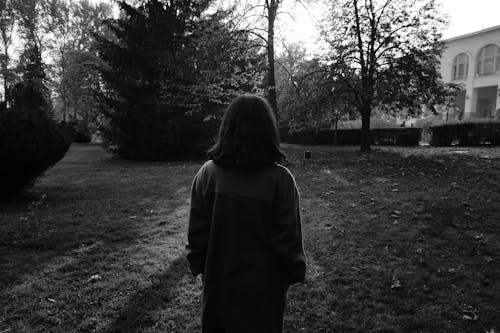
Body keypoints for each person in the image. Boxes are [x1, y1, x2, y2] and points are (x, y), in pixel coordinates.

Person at [186, 94, 306, 333]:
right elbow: (289, 243)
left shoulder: (207, 175)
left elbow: (196, 237)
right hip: (264, 297)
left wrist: (203, 268)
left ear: (227, 129)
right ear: (268, 131)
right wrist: (290, 274)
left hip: (218, 290)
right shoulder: (281, 181)